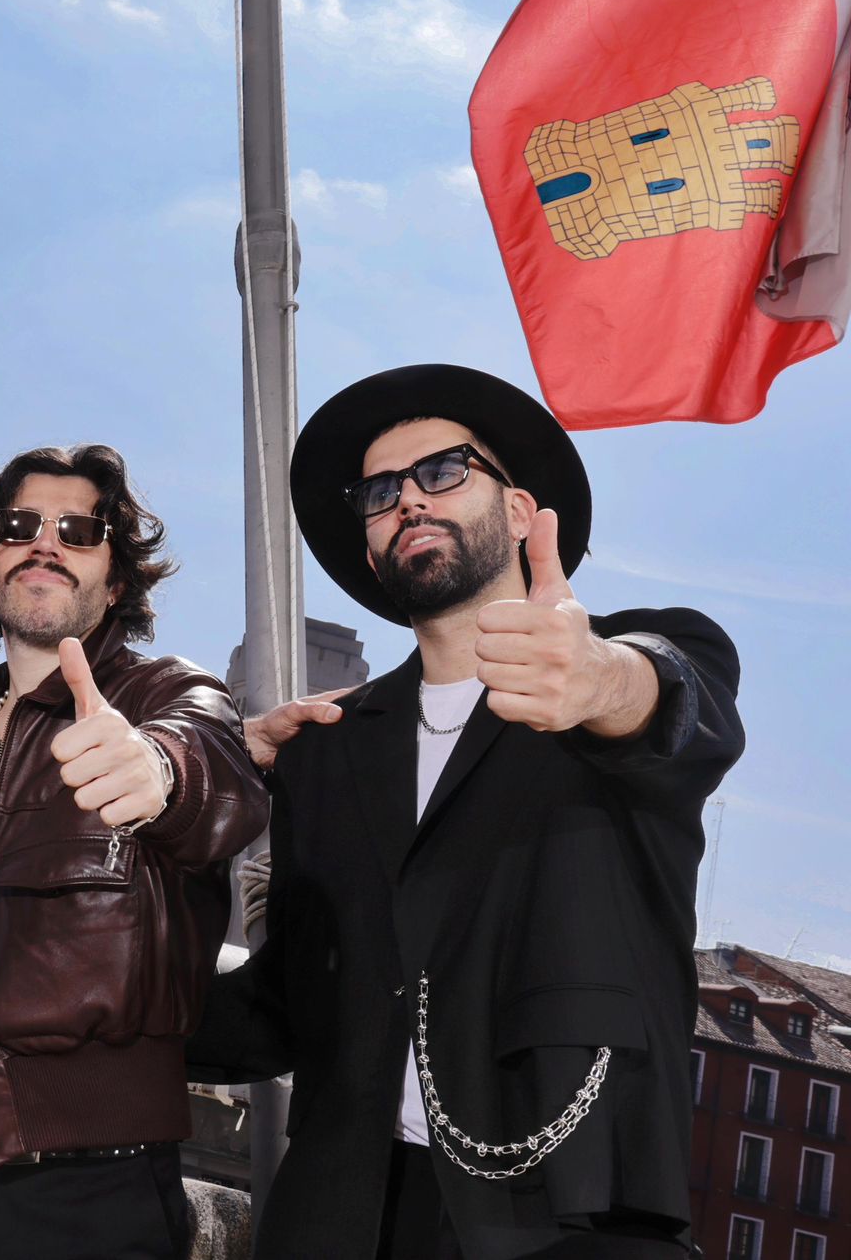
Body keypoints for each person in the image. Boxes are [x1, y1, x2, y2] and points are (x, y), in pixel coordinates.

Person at [189, 365, 745, 1259]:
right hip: (339, 1218)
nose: (408, 498)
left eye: (443, 471)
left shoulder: (632, 661)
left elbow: (674, 704)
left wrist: (602, 679)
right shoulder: (324, 749)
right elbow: (285, 1003)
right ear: (371, 546)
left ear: (520, 511)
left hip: (572, 1211)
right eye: (379, 492)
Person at [0, 443, 268, 1260]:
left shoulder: (166, 696)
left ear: (114, 585)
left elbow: (216, 783)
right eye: (19, 525)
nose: (45, 543)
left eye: (79, 531)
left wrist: (155, 773)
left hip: (92, 1186)